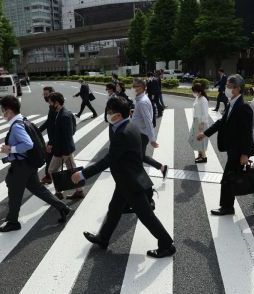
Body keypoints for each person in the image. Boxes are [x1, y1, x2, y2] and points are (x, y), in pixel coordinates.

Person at [72, 97, 176, 258]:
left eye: (110, 112)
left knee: (146, 215)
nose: (107, 114)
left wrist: (83, 174)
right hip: (126, 178)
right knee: (114, 209)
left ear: (119, 115)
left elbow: (108, 159)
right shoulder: (130, 124)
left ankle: (167, 244)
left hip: (130, 181)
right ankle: (103, 238)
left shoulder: (122, 133)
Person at [197, 74, 254, 216]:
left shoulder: (243, 107)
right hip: (232, 148)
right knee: (233, 178)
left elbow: (246, 133)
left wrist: (245, 154)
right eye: (227, 86)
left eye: (229, 86)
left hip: (238, 150)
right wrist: (205, 133)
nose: (227, 88)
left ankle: (227, 207)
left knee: (228, 179)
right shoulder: (231, 103)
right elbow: (222, 122)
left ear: (238, 89)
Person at [0, 96, 71, 232]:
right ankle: (62, 207)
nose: (3, 114)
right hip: (29, 164)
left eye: (3, 111)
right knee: (37, 188)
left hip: (21, 166)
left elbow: (28, 144)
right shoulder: (22, 119)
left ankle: (13, 222)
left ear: (8, 111)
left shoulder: (16, 126)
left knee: (14, 193)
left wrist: (10, 149)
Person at [48, 92, 85, 200]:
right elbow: (72, 130)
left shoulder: (64, 115)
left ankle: (58, 191)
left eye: (51, 102)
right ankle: (79, 191)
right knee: (72, 170)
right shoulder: (64, 112)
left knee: (52, 170)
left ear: (57, 103)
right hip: (65, 148)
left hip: (63, 150)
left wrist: (66, 153)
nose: (49, 104)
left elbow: (68, 135)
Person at [132, 78, 168, 179]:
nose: (132, 88)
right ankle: (162, 168)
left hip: (142, 135)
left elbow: (148, 121)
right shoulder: (140, 99)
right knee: (140, 156)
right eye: (132, 85)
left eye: (135, 86)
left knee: (138, 158)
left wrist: (152, 139)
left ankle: (141, 181)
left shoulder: (142, 102)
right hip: (140, 133)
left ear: (142, 88)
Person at [38, 86, 55, 185]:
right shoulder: (51, 106)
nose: (44, 96)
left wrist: (51, 142)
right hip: (55, 139)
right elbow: (49, 122)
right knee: (49, 157)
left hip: (57, 140)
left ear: (51, 93)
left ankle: (49, 177)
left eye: (46, 94)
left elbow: (55, 126)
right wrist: (38, 130)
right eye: (43, 94)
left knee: (49, 156)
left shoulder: (54, 108)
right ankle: (49, 177)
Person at [189, 83, 209, 163]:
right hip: (196, 121)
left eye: (195, 91)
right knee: (195, 138)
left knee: (201, 140)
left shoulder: (203, 100)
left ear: (199, 92)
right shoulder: (198, 98)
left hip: (201, 122)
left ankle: (203, 157)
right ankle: (200, 155)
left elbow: (205, 113)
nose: (194, 93)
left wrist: (202, 124)